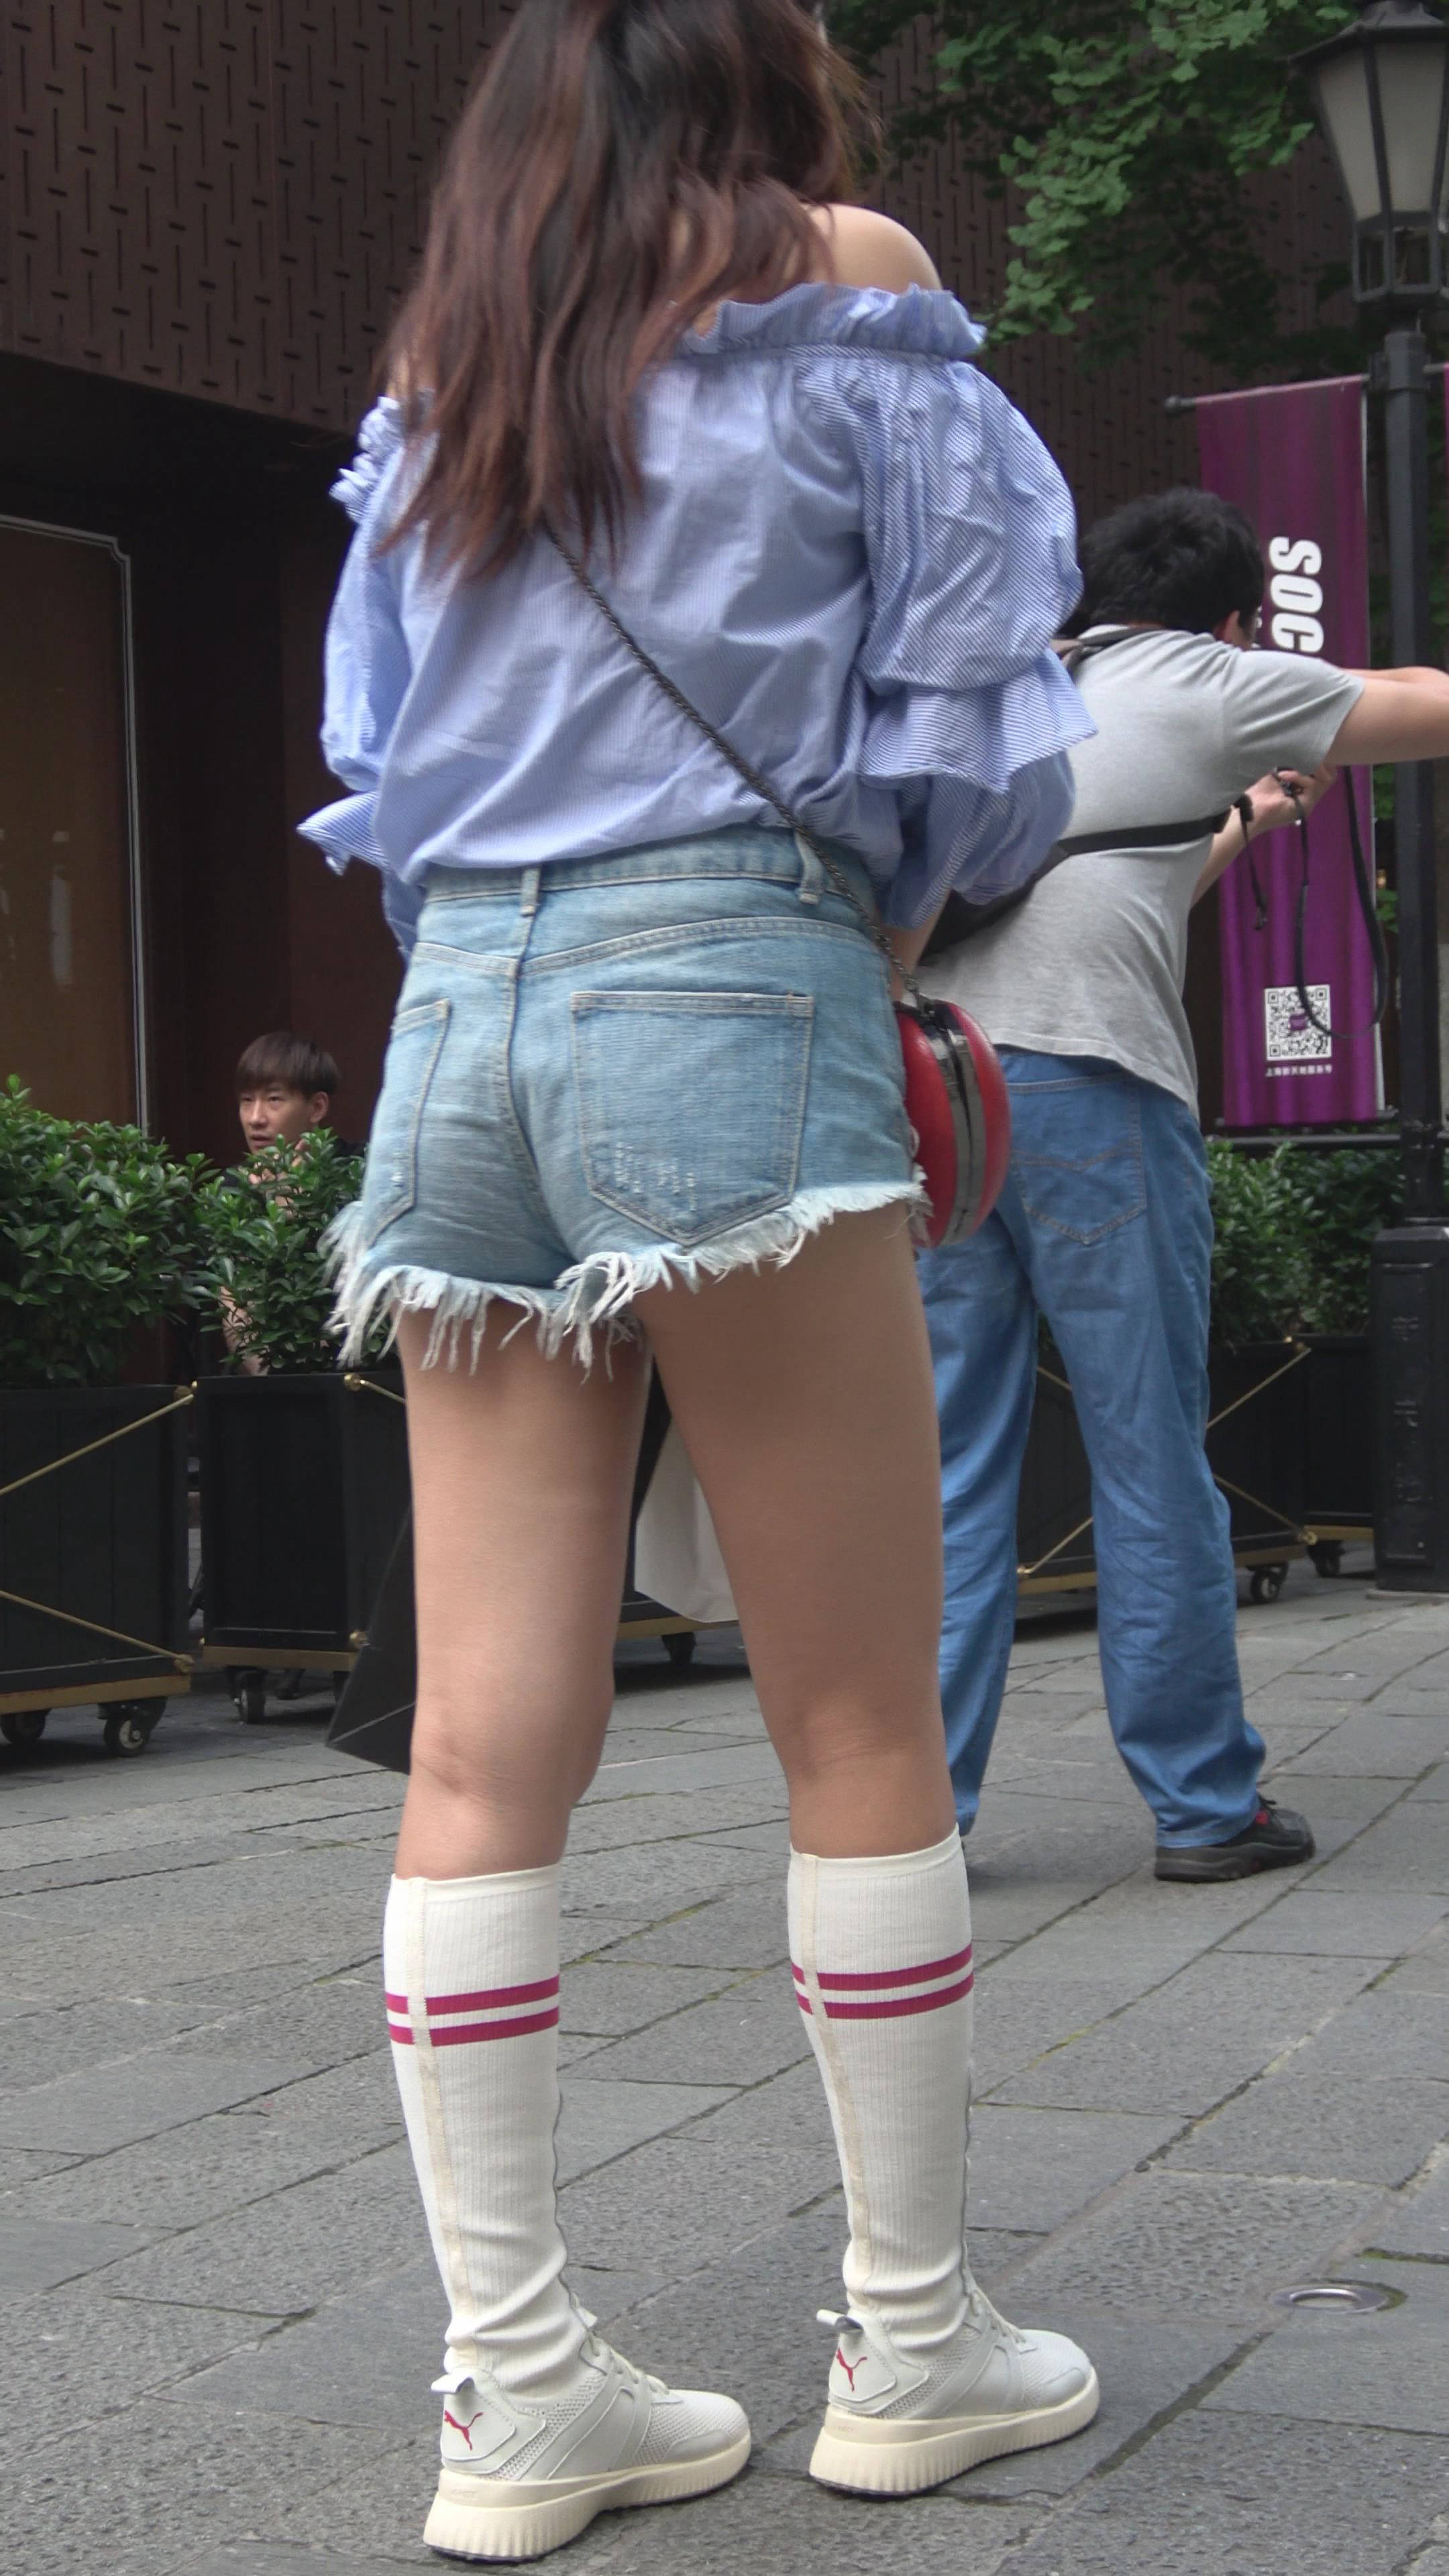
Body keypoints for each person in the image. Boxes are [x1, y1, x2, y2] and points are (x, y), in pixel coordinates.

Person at [299, 1, 1100, 2557]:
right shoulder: (839, 278)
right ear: (762, 78)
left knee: (476, 1741)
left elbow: (377, 740)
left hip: (461, 1014)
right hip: (735, 971)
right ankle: (915, 2341)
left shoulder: (455, 361)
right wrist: (884, 898)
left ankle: (517, 2390)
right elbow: (986, 724)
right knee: (854, 1705)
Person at [918, 486, 1449, 1883]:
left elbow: (1091, 887)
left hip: (941, 1097)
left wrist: (1247, 823)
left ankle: (915, 1825)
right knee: (1148, 1452)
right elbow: (1424, 707)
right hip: (1094, 1091)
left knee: (951, 1469)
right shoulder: (1209, 676)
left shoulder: (1015, 690)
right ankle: (1206, 1807)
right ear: (1234, 618)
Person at [235, 1031, 339, 1154]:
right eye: (247, 1100)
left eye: (274, 1099)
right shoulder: (237, 1169)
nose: (255, 1119)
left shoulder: (356, 1164)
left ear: (317, 1107)